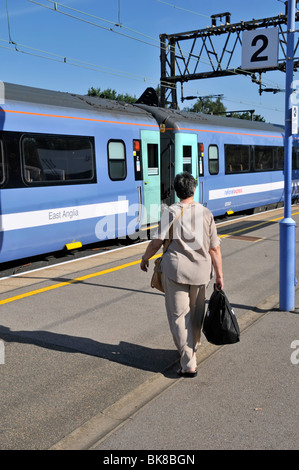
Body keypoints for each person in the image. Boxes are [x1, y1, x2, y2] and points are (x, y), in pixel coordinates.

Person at [140, 171, 223, 378]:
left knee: (178, 316)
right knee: (196, 314)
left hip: (176, 271)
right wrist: (220, 275)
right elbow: (215, 249)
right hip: (202, 272)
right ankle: (191, 347)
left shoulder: (170, 211)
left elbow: (157, 242)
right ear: (194, 189)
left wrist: (145, 257)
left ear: (177, 192)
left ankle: (188, 364)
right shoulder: (206, 213)